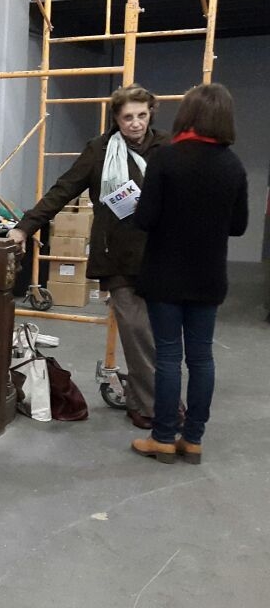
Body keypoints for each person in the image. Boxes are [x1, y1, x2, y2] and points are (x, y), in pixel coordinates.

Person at [8, 84, 169, 430]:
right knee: (138, 333)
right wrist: (24, 228)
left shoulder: (167, 148)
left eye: (142, 115)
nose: (136, 123)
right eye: (128, 117)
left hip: (160, 255)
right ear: (116, 118)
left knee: (160, 335)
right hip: (117, 257)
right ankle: (151, 405)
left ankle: (152, 398)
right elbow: (63, 190)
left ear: (151, 114)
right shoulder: (100, 150)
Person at [130, 83, 248, 464]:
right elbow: (239, 226)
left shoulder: (166, 158)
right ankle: (193, 440)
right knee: (201, 358)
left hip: (165, 275)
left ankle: (163, 438)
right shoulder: (233, 165)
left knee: (167, 357)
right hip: (208, 276)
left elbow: (145, 219)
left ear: (187, 114)